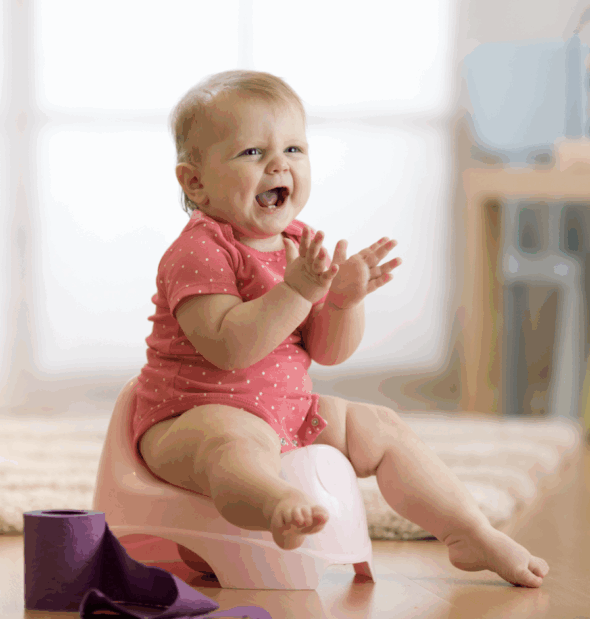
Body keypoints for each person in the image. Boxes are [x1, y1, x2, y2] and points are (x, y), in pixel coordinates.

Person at [132, 70, 549, 588]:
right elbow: (230, 348)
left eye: (293, 149)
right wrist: (299, 292)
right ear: (195, 182)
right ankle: (275, 503)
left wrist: (345, 302)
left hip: (285, 411)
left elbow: (327, 352)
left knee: (382, 428)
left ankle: (469, 531)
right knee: (231, 443)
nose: (279, 164)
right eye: (252, 154)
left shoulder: (298, 244)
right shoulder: (200, 251)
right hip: (189, 416)